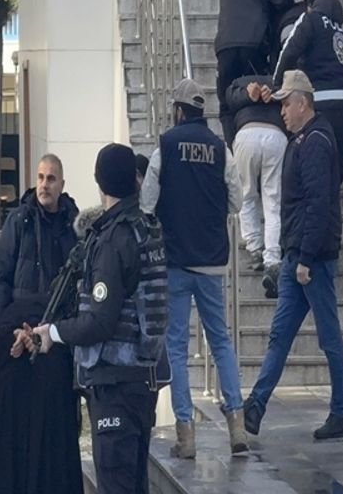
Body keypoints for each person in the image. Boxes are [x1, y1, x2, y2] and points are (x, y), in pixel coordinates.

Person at [30, 144, 168, 494]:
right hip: (145, 378)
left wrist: (54, 333)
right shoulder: (147, 227)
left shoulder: (112, 240)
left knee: (116, 483)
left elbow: (100, 322)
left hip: (115, 382)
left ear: (100, 182)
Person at [140, 78, 248, 458]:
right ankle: (237, 425)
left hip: (175, 261)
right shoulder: (220, 149)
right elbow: (237, 201)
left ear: (178, 110)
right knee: (221, 341)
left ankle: (186, 435)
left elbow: (147, 203)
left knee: (177, 347)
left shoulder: (166, 147)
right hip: (212, 262)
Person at [243, 70, 343, 442]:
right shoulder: (303, 139)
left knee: (329, 337)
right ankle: (256, 405)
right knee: (280, 334)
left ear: (303, 103)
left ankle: (340, 413)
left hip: (311, 258)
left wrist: (305, 257)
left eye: (286, 104)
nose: (282, 111)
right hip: (297, 255)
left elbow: (318, 204)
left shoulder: (315, 141)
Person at [0, 154, 83, 494]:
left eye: (51, 178)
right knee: (12, 429)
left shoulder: (74, 227)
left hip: (55, 339)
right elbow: (1, 281)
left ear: (62, 184)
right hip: (16, 336)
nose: (44, 184)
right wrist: (2, 335)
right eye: (40, 177)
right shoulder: (19, 221)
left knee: (54, 430)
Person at [216, 0, 312, 145]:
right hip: (253, 43)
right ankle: (260, 147)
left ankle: (235, 151)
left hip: (224, 46)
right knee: (259, 97)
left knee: (227, 104)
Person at [272, 0, 343, 183]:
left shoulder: (310, 19)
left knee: (315, 173)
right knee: (335, 177)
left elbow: (289, 52)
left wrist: (277, 85)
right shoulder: (341, 29)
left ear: (311, 3)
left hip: (319, 104)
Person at [223, 72, 287, 298]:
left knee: (247, 195)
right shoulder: (277, 82)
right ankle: (273, 258)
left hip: (246, 134)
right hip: (276, 135)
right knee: (273, 200)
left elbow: (227, 105)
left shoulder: (236, 83)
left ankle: (254, 248)